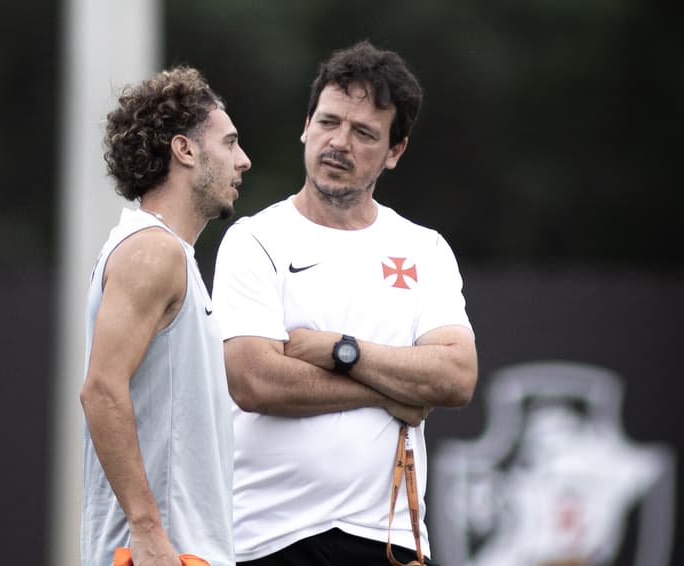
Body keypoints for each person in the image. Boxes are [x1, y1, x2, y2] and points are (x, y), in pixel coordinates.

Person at [211, 41, 477, 566]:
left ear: (395, 151)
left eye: (364, 133)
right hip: (267, 539)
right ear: (306, 125)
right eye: (329, 122)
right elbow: (254, 380)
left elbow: (456, 376)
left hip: (389, 539)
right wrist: (392, 391)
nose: (339, 143)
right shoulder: (254, 239)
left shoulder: (424, 248)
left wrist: (339, 349)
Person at [80, 66, 251, 566]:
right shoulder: (154, 252)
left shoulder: (170, 255)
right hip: (159, 554)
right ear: (185, 150)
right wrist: (148, 529)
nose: (243, 159)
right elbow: (101, 390)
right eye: (229, 143)